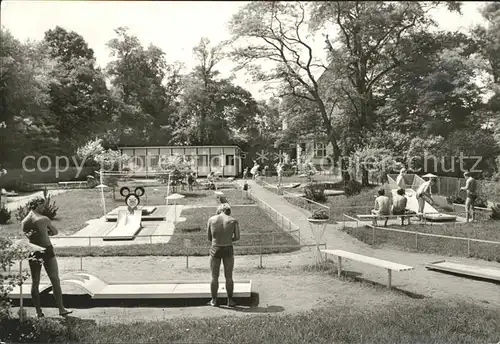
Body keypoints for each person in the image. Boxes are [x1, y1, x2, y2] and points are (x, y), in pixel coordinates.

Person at [21, 202, 72, 318]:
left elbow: (30, 236)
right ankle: (61, 309)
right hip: (47, 250)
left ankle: (38, 312)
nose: (44, 207)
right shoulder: (43, 219)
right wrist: (47, 232)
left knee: (35, 282)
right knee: (55, 279)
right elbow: (55, 232)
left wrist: (42, 232)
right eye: (42, 205)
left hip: (33, 251)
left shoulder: (24, 222)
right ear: (37, 205)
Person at [207, 203, 240, 307]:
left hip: (215, 248)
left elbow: (209, 237)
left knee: (214, 276)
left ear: (218, 210)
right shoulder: (233, 221)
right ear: (228, 211)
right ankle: (230, 301)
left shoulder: (211, 220)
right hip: (228, 248)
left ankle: (214, 300)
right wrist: (228, 239)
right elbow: (237, 237)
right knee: (229, 277)